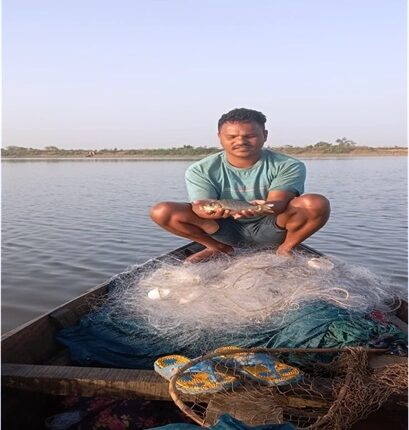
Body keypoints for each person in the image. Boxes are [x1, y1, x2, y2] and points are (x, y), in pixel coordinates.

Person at [150, 108, 330, 262]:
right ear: (220, 137)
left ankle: (286, 248)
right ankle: (218, 247)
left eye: (250, 136)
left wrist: (258, 209)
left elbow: (279, 202)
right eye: (232, 136)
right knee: (162, 211)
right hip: (224, 229)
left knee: (315, 203)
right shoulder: (200, 169)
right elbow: (200, 206)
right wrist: (212, 212)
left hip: (272, 227)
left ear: (265, 135)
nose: (240, 141)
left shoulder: (288, 165)